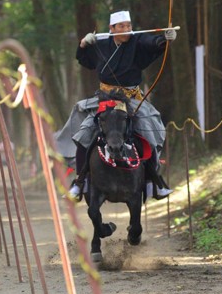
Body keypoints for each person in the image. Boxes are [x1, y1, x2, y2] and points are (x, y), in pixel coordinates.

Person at [55, 10, 177, 201]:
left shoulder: (136, 41)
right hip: (105, 99)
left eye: (129, 25)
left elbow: (150, 42)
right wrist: (84, 43)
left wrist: (163, 39)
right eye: (122, 26)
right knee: (84, 134)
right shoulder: (102, 43)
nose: (127, 29)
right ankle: (80, 182)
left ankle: (155, 181)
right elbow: (84, 58)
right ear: (111, 29)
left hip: (132, 99)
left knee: (148, 130)